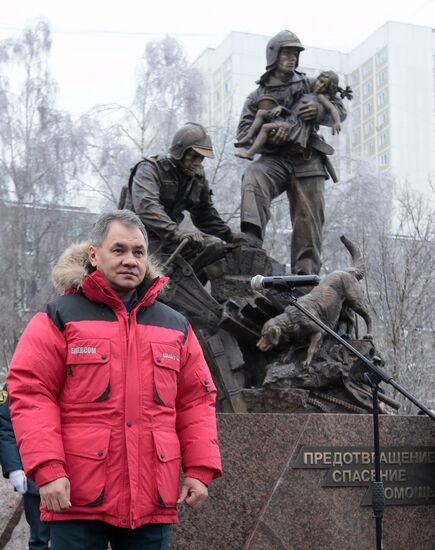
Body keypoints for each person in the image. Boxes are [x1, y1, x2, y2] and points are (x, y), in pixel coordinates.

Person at [6, 210, 222, 550]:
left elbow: (196, 400)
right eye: (118, 250)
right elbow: (31, 393)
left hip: (151, 499)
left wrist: (200, 469)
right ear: (94, 254)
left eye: (138, 252)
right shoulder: (60, 315)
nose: (130, 260)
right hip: (76, 497)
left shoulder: (175, 325)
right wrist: (47, 470)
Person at [237, 30, 348, 275]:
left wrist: (318, 111)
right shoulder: (256, 95)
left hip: (307, 159)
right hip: (275, 159)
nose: (292, 59)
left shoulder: (310, 83)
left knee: (308, 218)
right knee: (254, 177)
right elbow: (243, 133)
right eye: (287, 53)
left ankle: (305, 278)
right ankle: (250, 243)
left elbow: (339, 108)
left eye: (296, 54)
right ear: (274, 55)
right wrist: (270, 142)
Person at [121, 122, 248, 277]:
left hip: (169, 239)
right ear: (180, 151)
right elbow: (147, 206)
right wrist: (175, 233)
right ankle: (166, 288)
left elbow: (204, 215)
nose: (197, 163)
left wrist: (230, 236)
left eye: (201, 158)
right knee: (150, 270)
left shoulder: (197, 177)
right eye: (193, 156)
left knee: (214, 247)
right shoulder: (150, 169)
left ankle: (184, 290)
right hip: (137, 237)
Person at [235, 71, 352, 160]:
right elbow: (294, 111)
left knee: (266, 127)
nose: (320, 86)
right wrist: (281, 108)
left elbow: (335, 109)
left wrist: (323, 114)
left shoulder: (313, 90)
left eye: (325, 85)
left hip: (294, 126)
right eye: (320, 81)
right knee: (261, 113)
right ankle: (249, 137)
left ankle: (250, 153)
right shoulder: (258, 93)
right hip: (288, 119)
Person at [0, 385, 50, 550]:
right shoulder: (17, 378)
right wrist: (14, 468)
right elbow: (5, 427)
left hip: (78, 477)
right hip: (34, 476)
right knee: (40, 538)